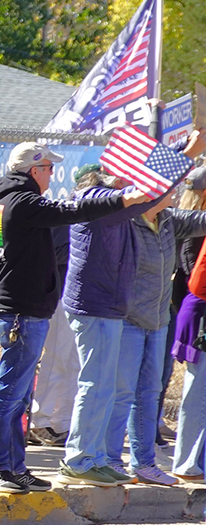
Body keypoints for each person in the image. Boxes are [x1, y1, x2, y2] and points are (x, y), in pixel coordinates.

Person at [0, 142, 146, 494]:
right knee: (10, 394)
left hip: (21, 309)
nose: (52, 174)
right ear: (33, 170)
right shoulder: (22, 202)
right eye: (49, 168)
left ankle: (14, 467)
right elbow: (71, 210)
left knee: (19, 395)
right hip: (20, 312)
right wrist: (120, 200)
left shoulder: (3, 201)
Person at [60, 159, 190, 488]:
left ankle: (106, 459)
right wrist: (184, 155)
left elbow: (152, 197)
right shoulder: (97, 206)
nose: (129, 185)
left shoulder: (141, 215)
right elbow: (146, 196)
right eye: (122, 180)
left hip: (128, 312)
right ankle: (84, 458)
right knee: (104, 388)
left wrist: (179, 155)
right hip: (103, 308)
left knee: (124, 389)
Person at [116, 134, 206, 485]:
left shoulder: (171, 219)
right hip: (141, 315)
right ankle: (110, 458)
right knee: (123, 390)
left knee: (150, 390)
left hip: (160, 315)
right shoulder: (133, 216)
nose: (167, 192)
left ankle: (147, 459)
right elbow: (192, 277)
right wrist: (187, 154)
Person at [28, 224, 75, 447]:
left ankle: (63, 422)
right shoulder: (69, 216)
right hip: (62, 296)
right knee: (57, 357)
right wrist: (86, 248)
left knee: (75, 363)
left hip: (87, 299)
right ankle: (39, 419)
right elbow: (52, 252)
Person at [174, 167, 206, 483]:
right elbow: (193, 277)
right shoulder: (190, 222)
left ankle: (194, 460)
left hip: (194, 308)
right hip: (198, 313)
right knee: (197, 391)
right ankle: (187, 462)